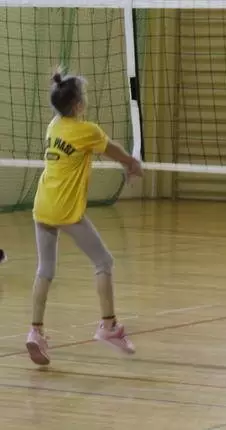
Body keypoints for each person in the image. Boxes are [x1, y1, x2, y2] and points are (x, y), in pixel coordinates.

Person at [25, 68, 142, 366]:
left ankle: (35, 331)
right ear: (78, 105)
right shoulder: (87, 131)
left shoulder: (54, 126)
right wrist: (131, 163)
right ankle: (109, 326)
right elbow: (113, 150)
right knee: (104, 262)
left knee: (45, 269)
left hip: (42, 206)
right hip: (65, 211)